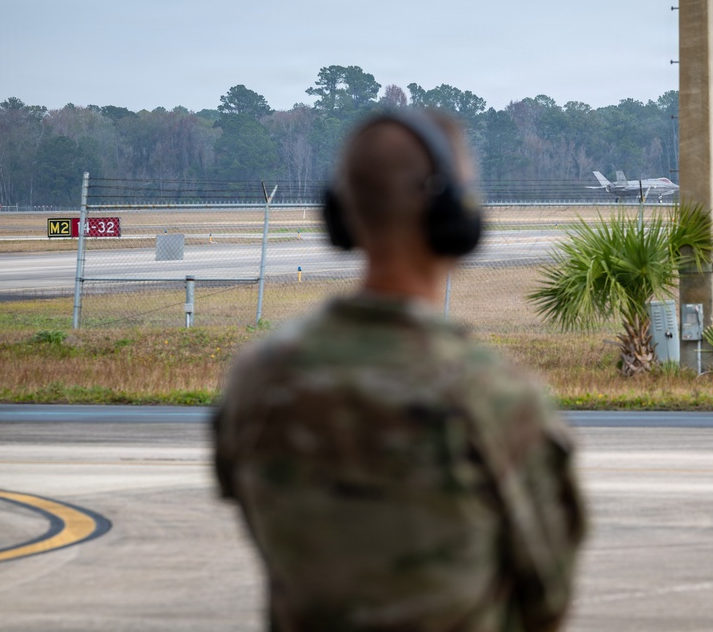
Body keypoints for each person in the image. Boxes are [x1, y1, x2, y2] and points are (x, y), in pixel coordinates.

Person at [214, 110, 586, 632]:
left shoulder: (257, 379)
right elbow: (547, 597)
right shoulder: (491, 395)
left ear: (341, 214)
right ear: (453, 214)